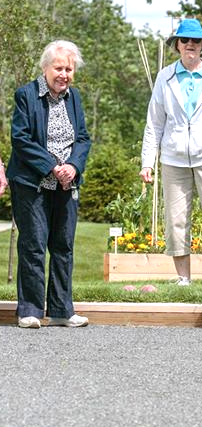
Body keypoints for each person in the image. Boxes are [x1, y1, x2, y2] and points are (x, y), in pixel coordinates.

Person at [140, 18, 202, 288]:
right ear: (177, 45)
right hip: (174, 159)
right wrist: (147, 162)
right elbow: (154, 123)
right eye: (185, 41)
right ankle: (183, 278)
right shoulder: (165, 77)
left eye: (196, 41)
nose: (190, 45)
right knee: (175, 219)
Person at [8, 40, 92, 328]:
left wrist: (72, 167)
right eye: (59, 68)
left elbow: (82, 138)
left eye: (69, 69)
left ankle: (61, 310)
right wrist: (52, 167)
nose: (64, 74)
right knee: (33, 245)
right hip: (32, 183)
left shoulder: (74, 98)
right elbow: (21, 139)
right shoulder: (26, 95)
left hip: (66, 185)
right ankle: (30, 310)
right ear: (45, 68)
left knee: (63, 246)